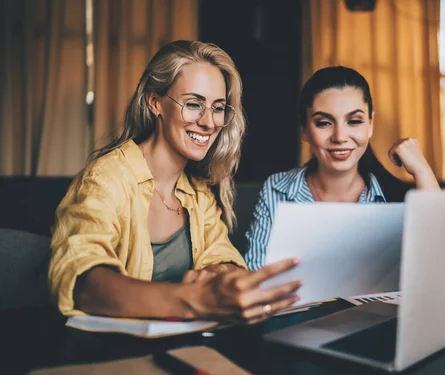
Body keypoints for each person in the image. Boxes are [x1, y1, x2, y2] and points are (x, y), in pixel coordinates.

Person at [48, 41, 301, 324]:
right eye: (193, 104)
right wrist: (194, 299)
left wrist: (222, 276)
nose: (209, 122)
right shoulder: (105, 179)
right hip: (110, 357)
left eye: (218, 108)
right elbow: (84, 283)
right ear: (154, 102)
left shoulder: (198, 192)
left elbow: (221, 254)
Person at [244, 66, 440, 271]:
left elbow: (437, 265)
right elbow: (255, 274)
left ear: (370, 124)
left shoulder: (395, 197)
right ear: (305, 130)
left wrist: (422, 170)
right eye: (324, 123)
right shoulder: (277, 189)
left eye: (354, 121)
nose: (339, 136)